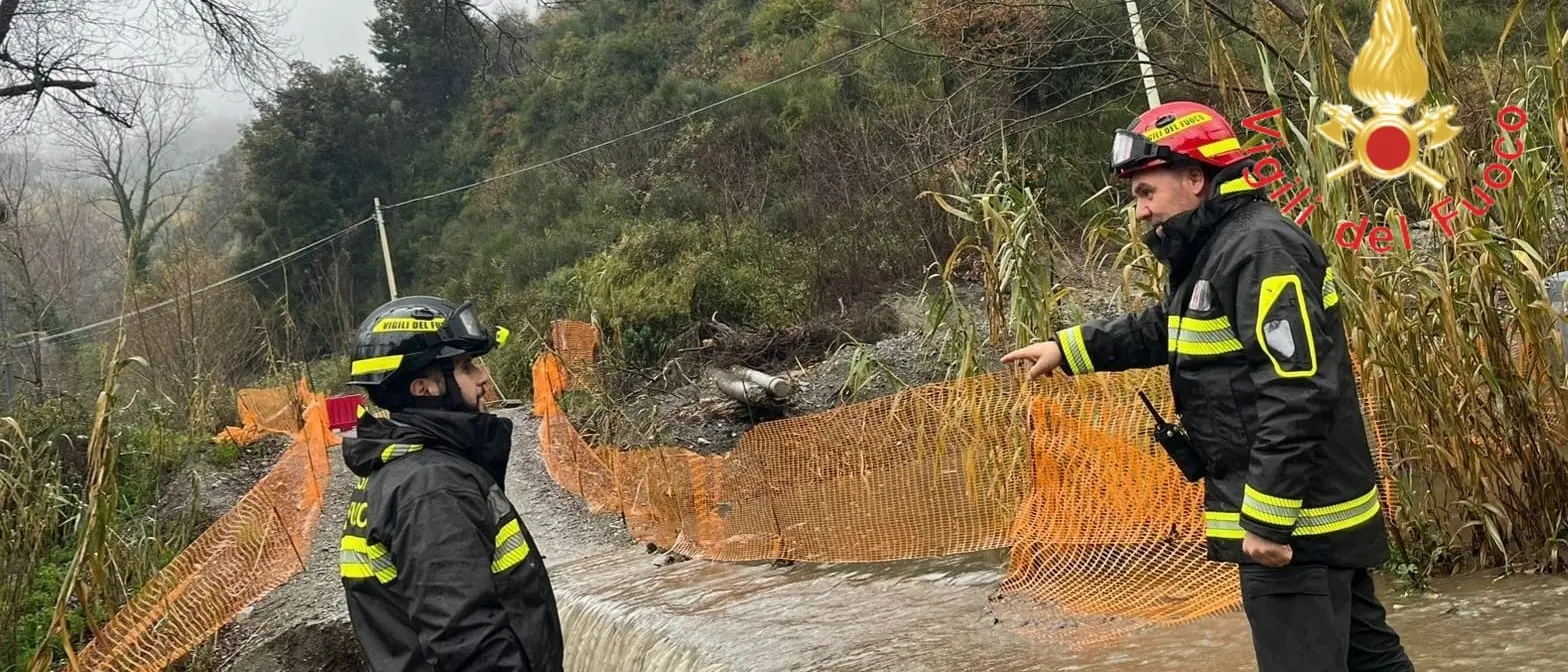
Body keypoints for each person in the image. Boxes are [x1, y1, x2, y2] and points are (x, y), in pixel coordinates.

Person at [1002, 101, 1413, 672]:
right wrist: (1074, 349)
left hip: (1294, 530)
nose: (1140, 211)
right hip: (1305, 523)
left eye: (1146, 192)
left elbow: (1297, 391)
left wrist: (1268, 520)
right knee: (1370, 661)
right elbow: (1173, 326)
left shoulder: (1259, 250)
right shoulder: (1218, 249)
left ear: (1195, 179)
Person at [337, 295, 564, 672]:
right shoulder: (430, 488)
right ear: (424, 387)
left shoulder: (398, 471)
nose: (483, 378)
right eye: (466, 366)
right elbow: (467, 641)